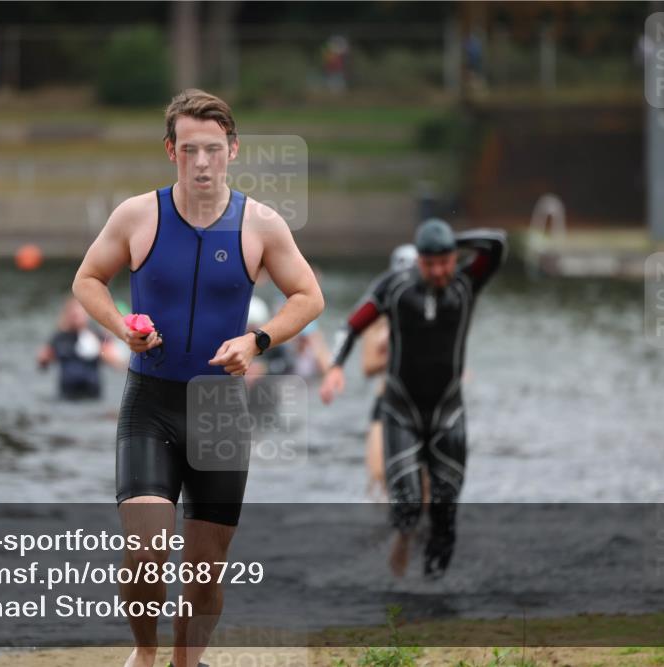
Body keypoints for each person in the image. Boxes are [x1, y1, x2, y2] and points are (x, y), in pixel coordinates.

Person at [72, 89, 324, 667]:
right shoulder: (139, 215)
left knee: (205, 567)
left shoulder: (260, 224)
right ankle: (145, 653)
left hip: (219, 411)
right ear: (171, 152)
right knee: (145, 551)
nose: (203, 162)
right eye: (190, 150)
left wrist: (258, 340)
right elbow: (88, 279)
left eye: (213, 149)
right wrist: (119, 327)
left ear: (231, 150)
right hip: (150, 403)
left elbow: (309, 296)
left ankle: (186, 662)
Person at [320, 220, 505, 580]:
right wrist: (335, 367)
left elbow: (496, 244)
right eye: (429, 262)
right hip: (401, 411)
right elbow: (351, 325)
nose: (438, 271)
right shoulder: (396, 288)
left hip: (448, 413)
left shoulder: (468, 283)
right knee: (405, 508)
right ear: (418, 260)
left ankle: (435, 591)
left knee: (444, 510)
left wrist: (453, 239)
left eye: (445, 261)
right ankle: (400, 574)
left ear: (455, 257)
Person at [362, 245, 420, 499]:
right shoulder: (377, 319)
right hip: (386, 401)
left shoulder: (433, 310)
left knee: (423, 482)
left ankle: (421, 532)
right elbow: (367, 367)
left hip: (422, 401)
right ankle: (384, 532)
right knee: (377, 477)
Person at [37, 297, 124, 400]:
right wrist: (43, 359)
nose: (76, 318)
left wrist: (100, 349)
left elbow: (117, 363)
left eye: (79, 314)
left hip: (92, 393)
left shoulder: (96, 334)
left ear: (87, 315)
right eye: (73, 315)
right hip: (67, 394)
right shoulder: (59, 337)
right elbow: (43, 362)